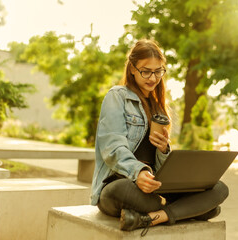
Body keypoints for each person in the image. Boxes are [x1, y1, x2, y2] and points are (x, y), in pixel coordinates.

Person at [90, 39, 229, 236]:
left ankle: (153, 218)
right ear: (132, 68)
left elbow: (160, 166)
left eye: (158, 71)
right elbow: (112, 148)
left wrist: (164, 150)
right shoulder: (118, 96)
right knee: (209, 208)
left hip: (155, 187)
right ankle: (183, 209)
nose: (152, 77)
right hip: (120, 183)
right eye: (146, 71)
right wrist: (138, 173)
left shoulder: (159, 106)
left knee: (220, 189)